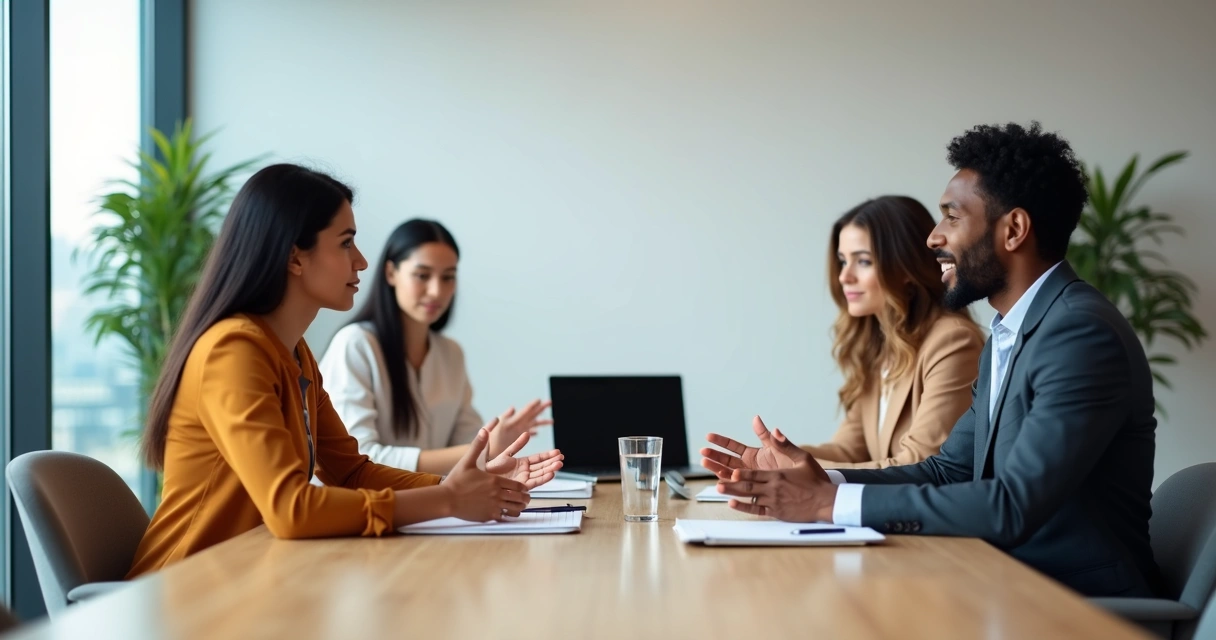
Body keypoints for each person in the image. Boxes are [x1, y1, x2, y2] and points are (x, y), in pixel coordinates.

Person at [702, 122, 1160, 598]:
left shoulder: (1078, 333)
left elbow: (1012, 505)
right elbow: (947, 471)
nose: (933, 238)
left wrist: (826, 502)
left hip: (1077, 603)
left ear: (1014, 230)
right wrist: (820, 477)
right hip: (1005, 583)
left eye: (951, 217)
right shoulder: (1011, 332)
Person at [127, 164, 562, 578]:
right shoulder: (233, 351)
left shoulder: (295, 353)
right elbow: (291, 510)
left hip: (249, 579)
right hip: (182, 591)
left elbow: (352, 473)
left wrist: (467, 484)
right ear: (295, 257)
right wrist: (448, 498)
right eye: (346, 243)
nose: (362, 261)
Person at [723, 196, 983, 470]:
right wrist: (774, 457)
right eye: (843, 261)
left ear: (906, 267)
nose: (844, 277)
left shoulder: (952, 342)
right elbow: (848, 450)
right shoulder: (880, 348)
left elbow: (920, 463)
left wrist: (796, 469)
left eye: (863, 261)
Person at [319, 219, 552, 474]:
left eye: (448, 277)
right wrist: (485, 449)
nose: (436, 291)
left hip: (434, 498)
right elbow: (358, 459)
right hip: (374, 499)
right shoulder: (355, 344)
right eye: (422, 275)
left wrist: (497, 448)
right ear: (391, 273)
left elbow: (467, 443)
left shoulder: (451, 353)